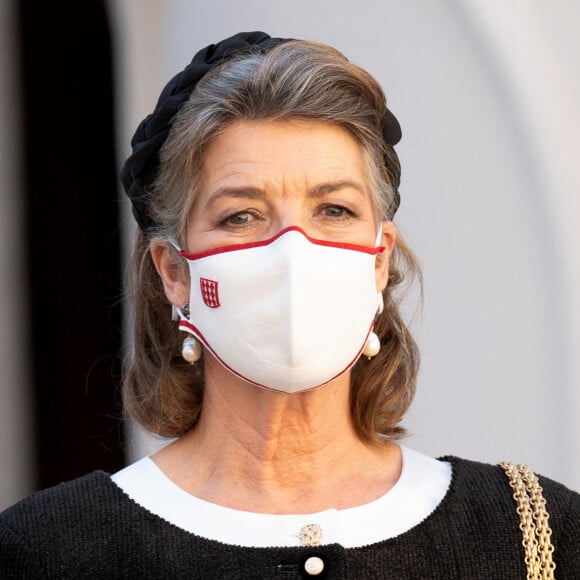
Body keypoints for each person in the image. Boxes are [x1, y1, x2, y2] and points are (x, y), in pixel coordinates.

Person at [1, 31, 578, 579]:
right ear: (174, 271)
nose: (292, 252)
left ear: (379, 259)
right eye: (241, 216)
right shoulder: (48, 553)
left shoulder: (534, 537)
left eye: (334, 210)